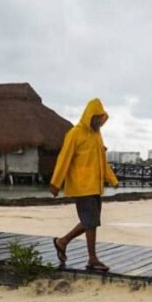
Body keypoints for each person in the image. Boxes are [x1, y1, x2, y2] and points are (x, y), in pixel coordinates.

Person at [49, 98, 119, 272]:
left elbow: (102, 160)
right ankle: (91, 257)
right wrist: (56, 182)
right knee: (91, 221)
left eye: (101, 118)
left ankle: (63, 242)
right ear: (89, 116)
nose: (99, 122)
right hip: (81, 186)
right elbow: (64, 158)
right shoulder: (74, 134)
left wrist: (112, 179)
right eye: (96, 118)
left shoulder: (97, 135)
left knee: (91, 222)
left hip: (95, 186)